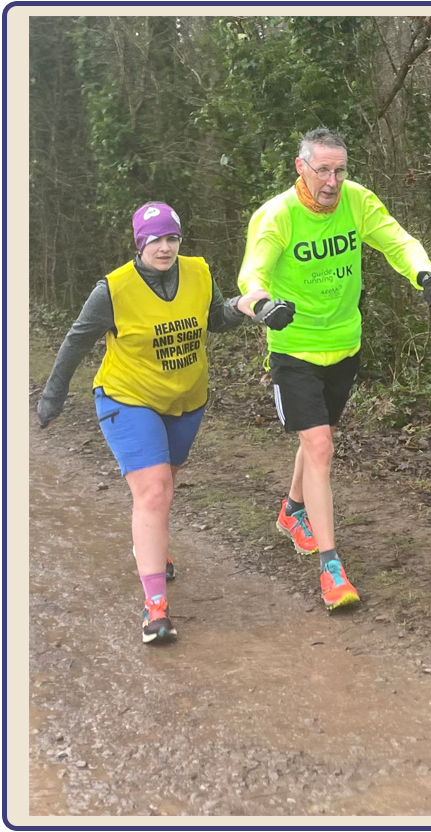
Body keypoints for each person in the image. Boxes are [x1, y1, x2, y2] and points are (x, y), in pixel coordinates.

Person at [37, 202, 278, 643]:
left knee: (165, 485)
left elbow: (213, 320)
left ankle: (152, 549)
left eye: (171, 238)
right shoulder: (113, 290)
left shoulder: (199, 271)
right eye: (155, 241)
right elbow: (76, 340)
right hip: (127, 398)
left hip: (187, 399)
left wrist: (241, 306)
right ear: (139, 243)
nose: (164, 248)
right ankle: (156, 610)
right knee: (153, 491)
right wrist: (53, 396)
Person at [237, 127, 431, 612]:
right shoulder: (277, 216)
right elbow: (252, 274)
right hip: (294, 350)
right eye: (324, 170)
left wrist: (426, 278)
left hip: (345, 346)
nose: (333, 181)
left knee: (318, 440)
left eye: (340, 170)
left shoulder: (356, 202)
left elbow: (397, 241)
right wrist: (264, 305)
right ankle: (332, 569)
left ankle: (293, 511)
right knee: (320, 445)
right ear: (301, 168)